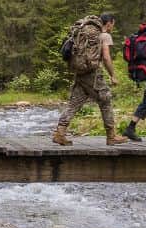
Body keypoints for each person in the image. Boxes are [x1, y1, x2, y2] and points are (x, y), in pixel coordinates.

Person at [52, 12, 129, 146]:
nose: (112, 27)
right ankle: (111, 136)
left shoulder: (85, 31)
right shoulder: (104, 35)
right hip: (93, 73)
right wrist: (112, 75)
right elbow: (106, 57)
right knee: (106, 100)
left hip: (80, 71)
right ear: (109, 23)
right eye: (113, 24)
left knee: (74, 103)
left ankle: (60, 133)